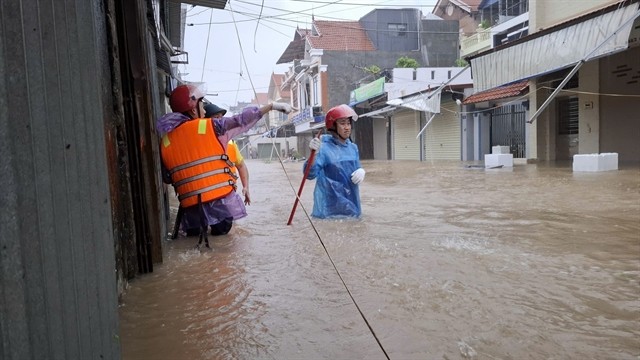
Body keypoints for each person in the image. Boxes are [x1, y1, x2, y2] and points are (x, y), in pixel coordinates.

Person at [158, 84, 291, 245]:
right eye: (202, 105)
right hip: (220, 206)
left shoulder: (165, 140)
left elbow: (167, 178)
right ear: (193, 109)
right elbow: (241, 120)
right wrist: (271, 107)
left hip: (191, 212)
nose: (205, 111)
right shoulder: (211, 127)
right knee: (225, 245)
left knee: (191, 245)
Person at [303, 104, 365, 219]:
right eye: (342, 123)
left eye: (348, 123)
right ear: (333, 126)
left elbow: (356, 169)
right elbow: (309, 174)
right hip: (328, 212)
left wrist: (361, 170)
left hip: (352, 209)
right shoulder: (323, 148)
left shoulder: (353, 148)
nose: (347, 127)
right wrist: (312, 155)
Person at [203, 103, 250, 206]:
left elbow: (241, 166)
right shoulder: (200, 142)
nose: (221, 121)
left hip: (228, 195)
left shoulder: (230, 143)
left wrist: (246, 187)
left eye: (221, 117)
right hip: (207, 198)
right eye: (216, 117)